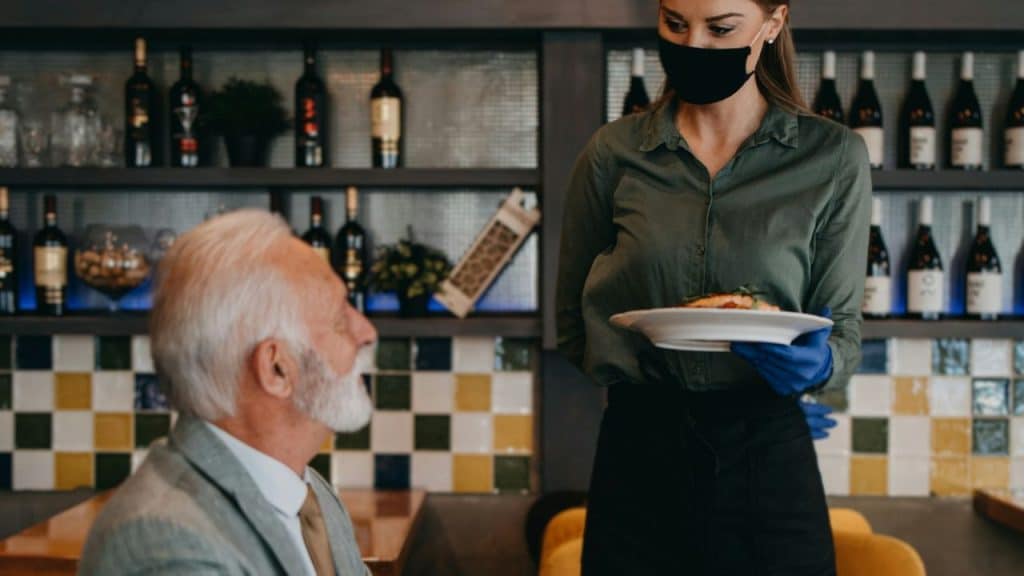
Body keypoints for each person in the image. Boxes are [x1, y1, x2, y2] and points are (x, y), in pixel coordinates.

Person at [556, 0, 871, 574]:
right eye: (675, 23)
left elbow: (845, 331)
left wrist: (818, 367)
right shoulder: (612, 154)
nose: (693, 45)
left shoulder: (833, 158)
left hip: (768, 457)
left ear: (772, 25)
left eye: (721, 28)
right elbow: (573, 324)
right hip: (639, 457)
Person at [80, 210, 378, 575]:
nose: (366, 332)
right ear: (276, 368)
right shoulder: (167, 542)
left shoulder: (312, 497)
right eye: (339, 318)